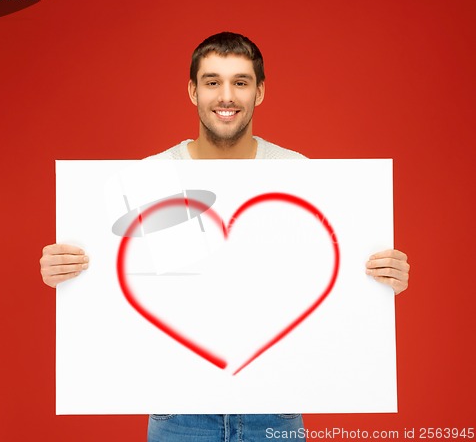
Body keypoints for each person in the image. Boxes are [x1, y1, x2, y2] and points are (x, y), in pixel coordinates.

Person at [40, 32, 410, 441]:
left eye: (241, 81)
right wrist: (67, 271)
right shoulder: (150, 179)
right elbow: (116, 278)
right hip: (178, 414)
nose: (226, 96)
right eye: (212, 81)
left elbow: (326, 278)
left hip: (276, 409)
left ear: (260, 91)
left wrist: (380, 278)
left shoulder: (300, 174)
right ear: (192, 91)